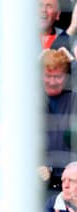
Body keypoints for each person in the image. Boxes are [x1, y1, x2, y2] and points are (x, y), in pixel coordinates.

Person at [40, 49, 77, 191]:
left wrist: (74, 64)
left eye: (58, 77)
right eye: (47, 76)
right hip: (40, 183)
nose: (52, 82)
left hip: (72, 183)